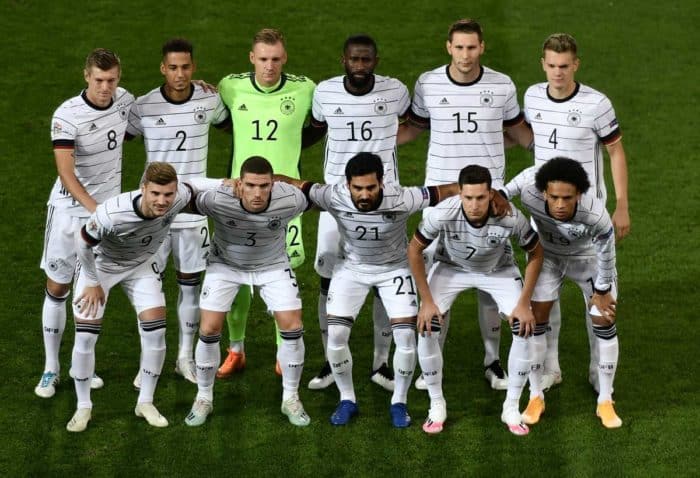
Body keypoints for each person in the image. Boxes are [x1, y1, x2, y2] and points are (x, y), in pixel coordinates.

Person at [277, 152, 460, 428]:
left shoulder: (402, 198)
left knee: (406, 339)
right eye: (358, 188)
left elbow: (444, 191)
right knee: (336, 333)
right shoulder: (333, 195)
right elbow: (297, 184)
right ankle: (347, 398)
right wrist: (266, 179)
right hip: (351, 269)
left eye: (371, 188)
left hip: (394, 270)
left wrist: (484, 192)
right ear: (347, 184)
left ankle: (399, 402)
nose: (364, 194)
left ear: (382, 183)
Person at [399, 19, 533, 390]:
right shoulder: (428, 83)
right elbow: (414, 128)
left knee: (491, 273)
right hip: (441, 193)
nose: (465, 55)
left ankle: (493, 362)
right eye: (459, 48)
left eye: (472, 48)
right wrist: (373, 134)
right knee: (434, 273)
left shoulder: (502, 84)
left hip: (488, 195)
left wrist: (561, 146)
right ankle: (432, 366)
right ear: (448, 48)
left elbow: (519, 133)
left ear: (482, 48)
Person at [66, 162, 221, 432]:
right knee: (86, 334)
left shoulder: (178, 197)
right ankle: (83, 407)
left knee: (156, 331)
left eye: (168, 195)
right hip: (101, 267)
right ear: (143, 189)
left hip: (140, 266)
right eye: (156, 194)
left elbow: (199, 184)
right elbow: (82, 242)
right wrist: (91, 281)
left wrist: (231, 183)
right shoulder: (112, 213)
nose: (162, 201)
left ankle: (145, 402)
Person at [519, 33, 630, 391]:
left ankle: (601, 376)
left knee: (600, 304)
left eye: (564, 66)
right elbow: (527, 137)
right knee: (544, 303)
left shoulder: (597, 104)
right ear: (543, 64)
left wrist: (622, 205)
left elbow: (615, 152)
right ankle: (550, 368)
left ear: (576, 65)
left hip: (588, 225)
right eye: (551, 65)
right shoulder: (533, 96)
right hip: (546, 225)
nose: (557, 73)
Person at [305, 34, 411, 391]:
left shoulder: (396, 91)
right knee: (327, 276)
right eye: (355, 60)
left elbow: (415, 123)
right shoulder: (325, 93)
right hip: (335, 200)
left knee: (384, 276)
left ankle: (382, 364)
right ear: (343, 60)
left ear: (376, 60)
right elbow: (315, 130)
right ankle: (330, 360)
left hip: (384, 201)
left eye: (367, 60)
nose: (361, 66)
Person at [216, 28, 321, 378]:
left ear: (285, 58)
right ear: (251, 58)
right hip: (239, 198)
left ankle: (282, 351)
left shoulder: (305, 89)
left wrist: (289, 153)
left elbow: (318, 127)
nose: (269, 66)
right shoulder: (230, 87)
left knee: (283, 272)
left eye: (276, 59)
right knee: (238, 274)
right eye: (263, 59)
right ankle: (236, 349)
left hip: (286, 202)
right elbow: (220, 121)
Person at [407, 165, 543, 435]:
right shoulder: (444, 212)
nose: (474, 205)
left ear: (491, 193)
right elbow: (414, 249)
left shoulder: (510, 217)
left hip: (499, 270)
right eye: (468, 198)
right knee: (427, 326)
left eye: (480, 197)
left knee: (523, 327)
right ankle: (436, 404)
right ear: (459, 194)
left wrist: (523, 304)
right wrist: (426, 301)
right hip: (451, 268)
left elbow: (537, 253)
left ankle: (512, 407)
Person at [126, 38, 230, 384]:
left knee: (189, 286)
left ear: (194, 68)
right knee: (149, 287)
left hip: (191, 211)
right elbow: (117, 137)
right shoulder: (143, 107)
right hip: (153, 212)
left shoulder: (209, 99)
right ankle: (148, 361)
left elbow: (235, 124)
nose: (180, 74)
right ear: (163, 68)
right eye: (173, 67)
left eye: (186, 67)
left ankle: (184, 357)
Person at [184, 156, 311, 427]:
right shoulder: (217, 199)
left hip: (272, 265)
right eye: (250, 185)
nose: (258, 193)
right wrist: (218, 182)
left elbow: (324, 196)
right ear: (239, 184)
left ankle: (291, 398)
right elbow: (182, 190)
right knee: (208, 329)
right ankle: (203, 398)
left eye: (264, 186)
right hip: (225, 265)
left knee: (293, 326)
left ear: (273, 184)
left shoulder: (291, 199)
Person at [36, 48, 135, 398]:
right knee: (58, 287)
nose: (105, 87)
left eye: (111, 80)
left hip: (101, 215)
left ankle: (82, 368)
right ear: (86, 76)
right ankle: (50, 368)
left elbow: (149, 119)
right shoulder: (67, 115)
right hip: (69, 213)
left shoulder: (125, 101)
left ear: (118, 78)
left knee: (90, 295)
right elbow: (65, 173)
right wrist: (96, 209)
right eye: (99, 80)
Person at [501, 157, 621, 429]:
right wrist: (501, 195)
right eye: (554, 197)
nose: (560, 204)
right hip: (549, 259)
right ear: (543, 192)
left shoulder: (595, 214)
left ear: (579, 194)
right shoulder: (531, 188)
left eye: (567, 198)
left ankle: (605, 398)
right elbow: (514, 184)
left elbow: (607, 255)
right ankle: (535, 395)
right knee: (536, 320)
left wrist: (602, 291)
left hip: (588, 260)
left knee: (604, 319)